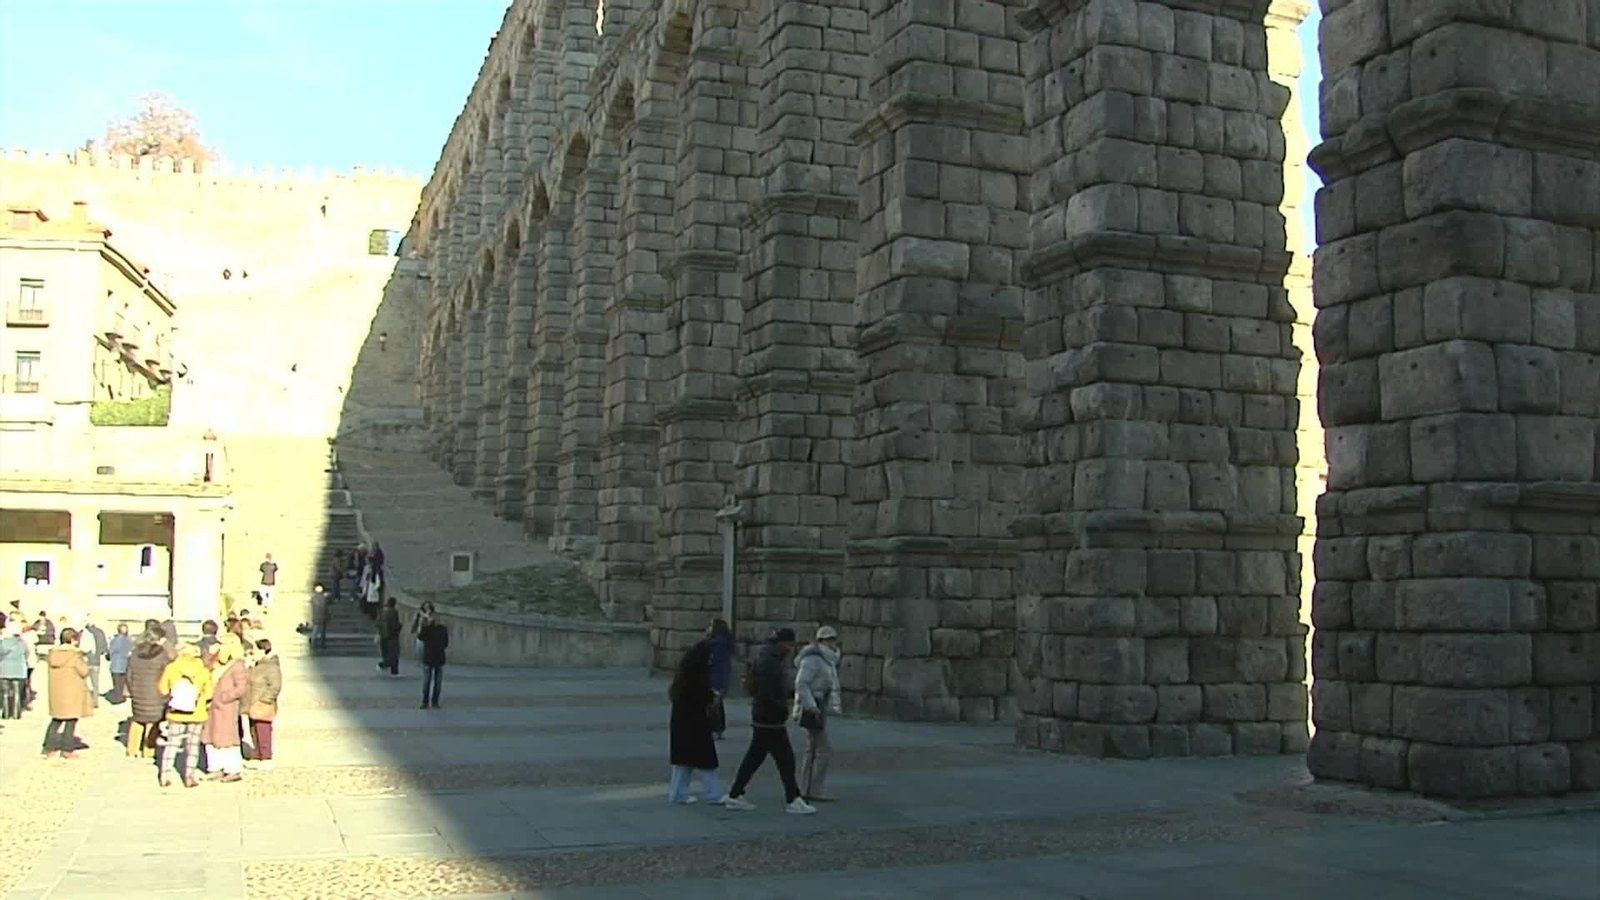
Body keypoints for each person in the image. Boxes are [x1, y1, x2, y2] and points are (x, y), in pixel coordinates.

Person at [722, 628, 814, 815]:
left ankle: (735, 794)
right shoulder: (770, 662)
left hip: (764, 716)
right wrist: (781, 708)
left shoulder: (768, 657)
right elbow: (768, 691)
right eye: (789, 644)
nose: (790, 648)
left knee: (755, 757)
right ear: (781, 643)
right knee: (785, 759)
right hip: (770, 718)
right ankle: (793, 799)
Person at [667, 639, 725, 805]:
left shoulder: (685, 672)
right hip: (695, 722)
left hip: (681, 721)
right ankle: (714, 793)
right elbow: (702, 696)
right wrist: (713, 697)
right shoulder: (697, 674)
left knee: (683, 760)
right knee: (705, 760)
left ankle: (678, 793)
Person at [793, 625, 844, 803]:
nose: (832, 642)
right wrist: (811, 705)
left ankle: (806, 787)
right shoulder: (814, 659)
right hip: (813, 706)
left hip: (819, 705)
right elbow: (801, 683)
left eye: (834, 638)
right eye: (829, 639)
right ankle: (813, 788)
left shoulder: (829, 659)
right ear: (821, 641)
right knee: (822, 750)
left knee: (814, 748)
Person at [157, 643, 214, 787]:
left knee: (172, 743)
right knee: (192, 745)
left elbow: (163, 690)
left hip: (175, 713)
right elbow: (209, 694)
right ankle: (189, 777)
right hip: (196, 713)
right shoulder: (202, 671)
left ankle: (165, 776)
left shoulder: (171, 668)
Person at [201, 634, 249, 782]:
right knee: (210, 738)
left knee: (227, 739)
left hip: (226, 707)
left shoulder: (237, 665)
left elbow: (241, 687)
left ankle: (232, 769)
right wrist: (211, 653)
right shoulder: (217, 662)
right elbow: (204, 666)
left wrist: (225, 697)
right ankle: (215, 767)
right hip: (211, 706)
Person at [43, 627, 91, 759]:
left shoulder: (53, 654)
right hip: (72, 692)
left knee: (56, 720)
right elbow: (84, 671)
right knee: (70, 721)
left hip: (57, 693)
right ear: (73, 640)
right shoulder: (75, 655)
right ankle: (67, 749)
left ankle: (49, 748)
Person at [125, 625, 171, 758]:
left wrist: (132, 688)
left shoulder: (135, 653)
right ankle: (148, 751)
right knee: (152, 721)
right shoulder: (162, 654)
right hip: (156, 692)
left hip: (138, 690)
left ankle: (132, 749)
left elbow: (129, 674)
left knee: (138, 719)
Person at [244, 638, 281, 770]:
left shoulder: (271, 667)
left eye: (254, 652)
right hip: (252, 703)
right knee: (254, 730)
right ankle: (257, 754)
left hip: (262, 704)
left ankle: (266, 757)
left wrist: (264, 700)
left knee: (263, 731)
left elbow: (275, 686)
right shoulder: (256, 666)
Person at [705, 618, 733, 739]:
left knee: (713, 704)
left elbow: (712, 660)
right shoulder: (721, 642)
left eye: (711, 625)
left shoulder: (717, 644)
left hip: (715, 677)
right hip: (719, 676)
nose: (708, 628)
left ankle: (715, 729)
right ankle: (717, 729)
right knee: (716, 704)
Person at [418, 607, 448, 709]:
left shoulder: (440, 629)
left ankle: (431, 702)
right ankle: (429, 702)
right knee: (430, 682)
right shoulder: (430, 628)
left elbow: (445, 643)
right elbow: (421, 637)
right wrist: (426, 624)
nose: (435, 619)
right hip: (433, 658)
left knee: (435, 682)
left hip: (436, 658)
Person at [0, 619, 27, 719]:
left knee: (5, 693)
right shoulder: (23, 643)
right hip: (19, 670)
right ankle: (16, 714)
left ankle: (6, 714)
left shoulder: (3, 642)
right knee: (17, 693)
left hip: (4, 670)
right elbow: (26, 654)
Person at [79, 617, 108, 708]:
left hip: (84, 660)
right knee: (95, 683)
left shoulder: (83, 633)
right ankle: (95, 701)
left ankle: (84, 700)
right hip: (96, 660)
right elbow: (104, 648)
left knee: (82, 682)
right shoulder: (100, 633)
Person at [107, 623, 134, 704]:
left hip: (116, 664)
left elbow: (110, 651)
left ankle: (117, 698)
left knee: (117, 684)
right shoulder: (129, 640)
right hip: (125, 664)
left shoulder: (115, 640)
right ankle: (122, 696)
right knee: (122, 683)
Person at [377, 596, 402, 676]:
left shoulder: (382, 611)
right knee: (394, 654)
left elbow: (378, 623)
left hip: (383, 635)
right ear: (394, 604)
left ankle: (393, 671)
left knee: (387, 653)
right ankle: (386, 667)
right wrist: (400, 626)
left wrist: (380, 632)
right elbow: (395, 625)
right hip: (392, 636)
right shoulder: (393, 612)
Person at [310, 583, 330, 650]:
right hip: (323, 617)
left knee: (315, 631)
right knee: (322, 632)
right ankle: (322, 644)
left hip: (316, 617)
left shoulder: (313, 598)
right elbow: (325, 607)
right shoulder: (324, 598)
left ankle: (313, 643)